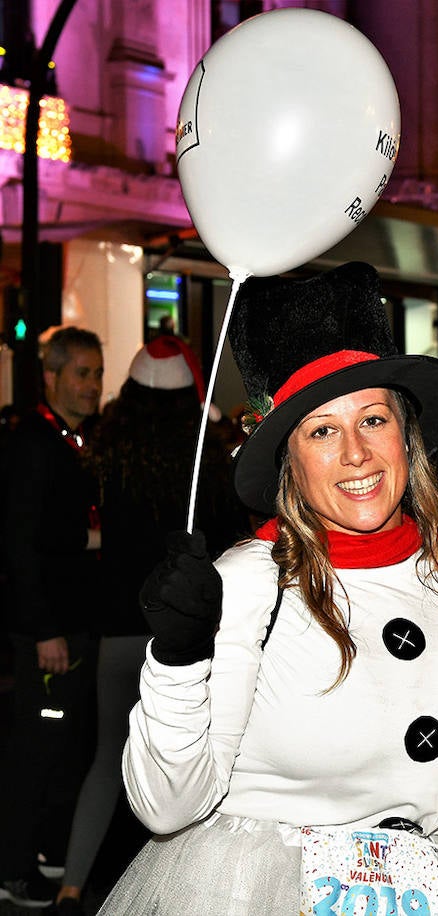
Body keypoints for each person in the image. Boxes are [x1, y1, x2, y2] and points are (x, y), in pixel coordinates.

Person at [98, 262, 438, 915]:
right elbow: (166, 805)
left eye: (372, 420)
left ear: (406, 434)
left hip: (430, 890)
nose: (356, 454)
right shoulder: (252, 580)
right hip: (260, 893)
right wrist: (175, 660)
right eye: (322, 430)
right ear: (289, 456)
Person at [48, 336, 246, 914]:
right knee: (181, 764)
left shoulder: (106, 450)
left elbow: (75, 532)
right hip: (186, 631)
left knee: (108, 759)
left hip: (119, 626)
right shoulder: (203, 456)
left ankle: (69, 886)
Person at [0, 326, 104, 910]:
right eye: (83, 373)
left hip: (67, 622)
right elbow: (19, 542)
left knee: (61, 744)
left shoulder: (71, 439)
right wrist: (44, 630)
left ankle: (41, 851)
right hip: (50, 631)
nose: (93, 385)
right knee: (37, 747)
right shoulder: (35, 443)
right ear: (52, 376)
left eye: (97, 372)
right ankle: (13, 868)